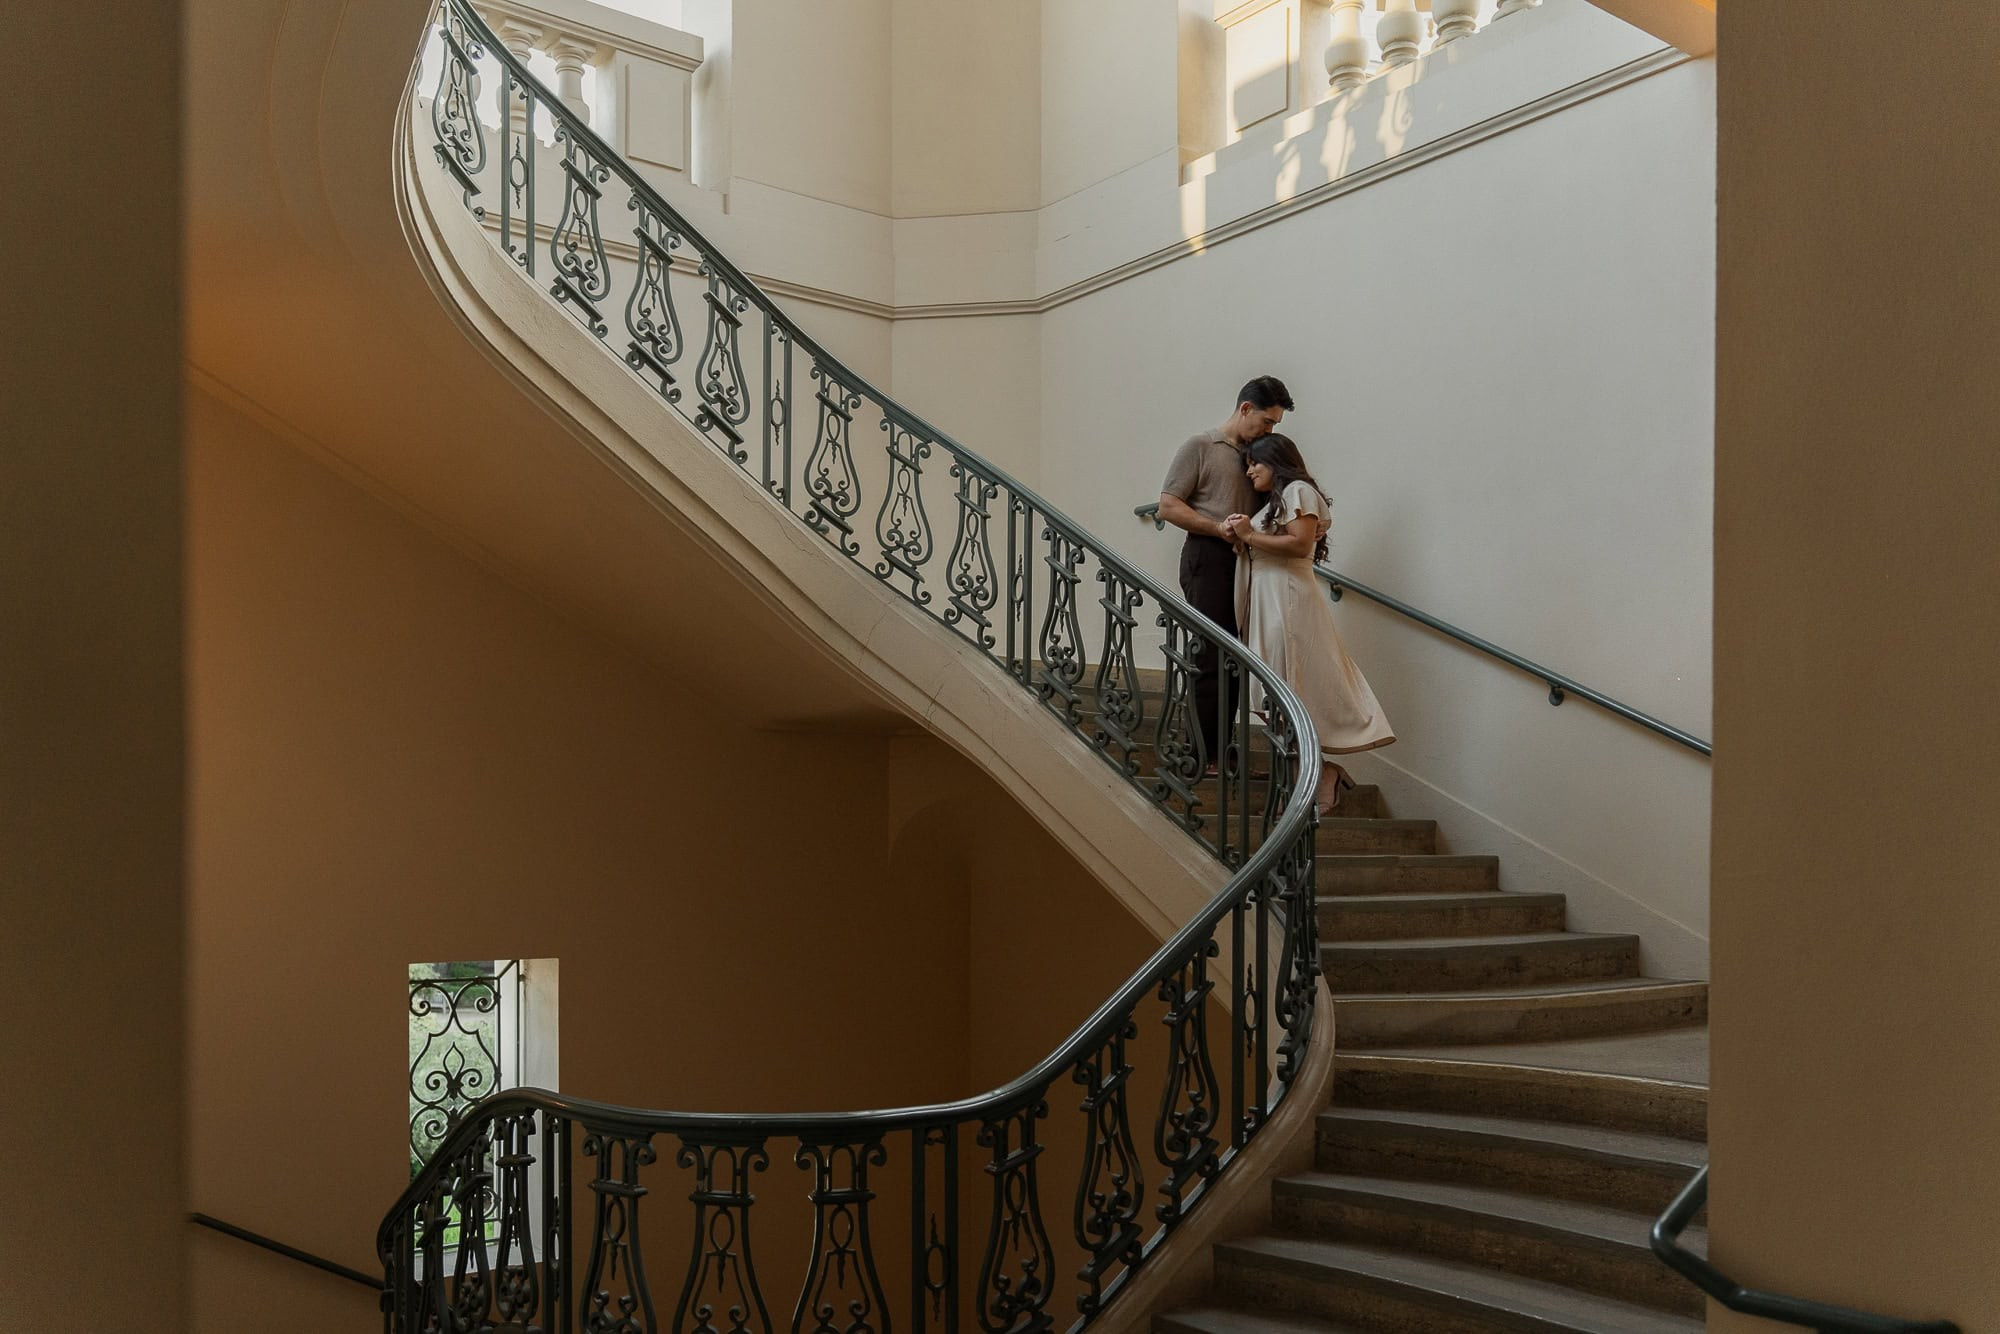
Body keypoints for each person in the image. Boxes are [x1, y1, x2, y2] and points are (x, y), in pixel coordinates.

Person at [1223, 433, 1395, 814]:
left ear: (1277, 462)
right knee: (1275, 691)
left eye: (1255, 463)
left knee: (1289, 684)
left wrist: (1250, 534)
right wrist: (1242, 536)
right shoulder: (1273, 503)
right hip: (1269, 599)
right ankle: (1319, 773)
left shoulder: (1298, 490)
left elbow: (1301, 545)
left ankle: (1320, 777)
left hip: (1287, 600)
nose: (1249, 471)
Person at [1157, 376, 1295, 775]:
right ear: (1246, 408)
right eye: (1267, 421)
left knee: (1238, 657)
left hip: (1248, 560)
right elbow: (1168, 506)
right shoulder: (1200, 446)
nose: (1269, 430)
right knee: (1211, 653)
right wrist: (1217, 528)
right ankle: (1202, 755)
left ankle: (1223, 749)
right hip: (1208, 554)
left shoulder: (1258, 457)